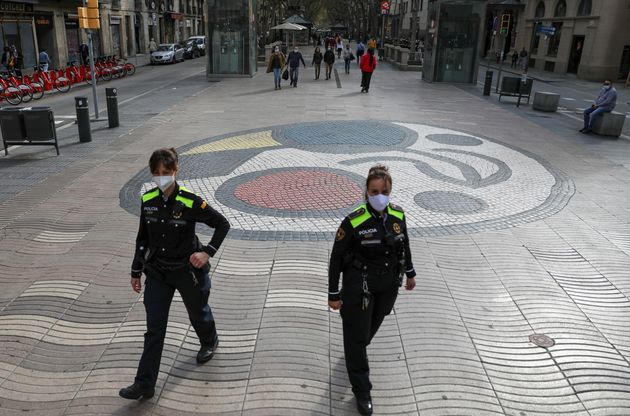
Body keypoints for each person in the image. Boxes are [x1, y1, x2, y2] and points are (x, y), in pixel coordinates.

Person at [119, 148, 230, 400]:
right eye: (157, 173)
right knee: (154, 329)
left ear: (175, 170)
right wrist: (136, 271)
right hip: (158, 272)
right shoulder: (148, 201)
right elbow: (143, 240)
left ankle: (209, 339)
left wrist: (207, 253)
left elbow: (222, 224)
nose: (161, 177)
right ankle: (144, 384)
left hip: (187, 272)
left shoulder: (191, 201)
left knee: (198, 313)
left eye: (166, 173)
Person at [328, 164, 416, 416]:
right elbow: (336, 258)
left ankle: (354, 351)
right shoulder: (354, 220)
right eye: (374, 191)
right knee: (357, 339)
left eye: (384, 191)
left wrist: (410, 272)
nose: (380, 195)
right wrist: (333, 293)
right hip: (360, 288)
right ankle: (362, 390)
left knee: (366, 334)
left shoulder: (398, 215)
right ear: (366, 192)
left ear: (390, 190)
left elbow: (404, 245)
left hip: (388, 286)